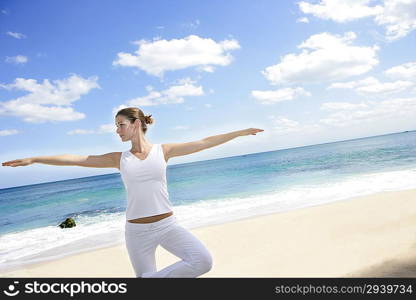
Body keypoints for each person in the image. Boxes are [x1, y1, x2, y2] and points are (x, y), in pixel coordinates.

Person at [2, 107, 264, 277]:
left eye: (120, 125)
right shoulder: (118, 158)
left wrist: (240, 132)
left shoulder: (165, 151)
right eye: (116, 126)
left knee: (203, 261)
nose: (117, 130)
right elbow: (76, 158)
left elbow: (205, 142)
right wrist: (34, 159)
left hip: (167, 224)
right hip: (136, 232)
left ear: (136, 123)